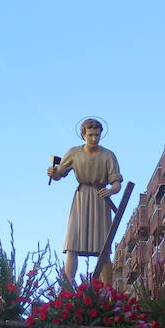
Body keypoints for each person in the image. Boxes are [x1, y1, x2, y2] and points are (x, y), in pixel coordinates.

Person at [47, 118, 123, 283]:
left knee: (103, 249)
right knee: (72, 245)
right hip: (81, 199)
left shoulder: (108, 155)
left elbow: (117, 184)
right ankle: (67, 290)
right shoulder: (74, 153)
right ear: (83, 135)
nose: (94, 138)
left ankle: (108, 294)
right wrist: (53, 173)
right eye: (90, 135)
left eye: (97, 135)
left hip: (101, 200)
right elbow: (60, 173)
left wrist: (110, 191)